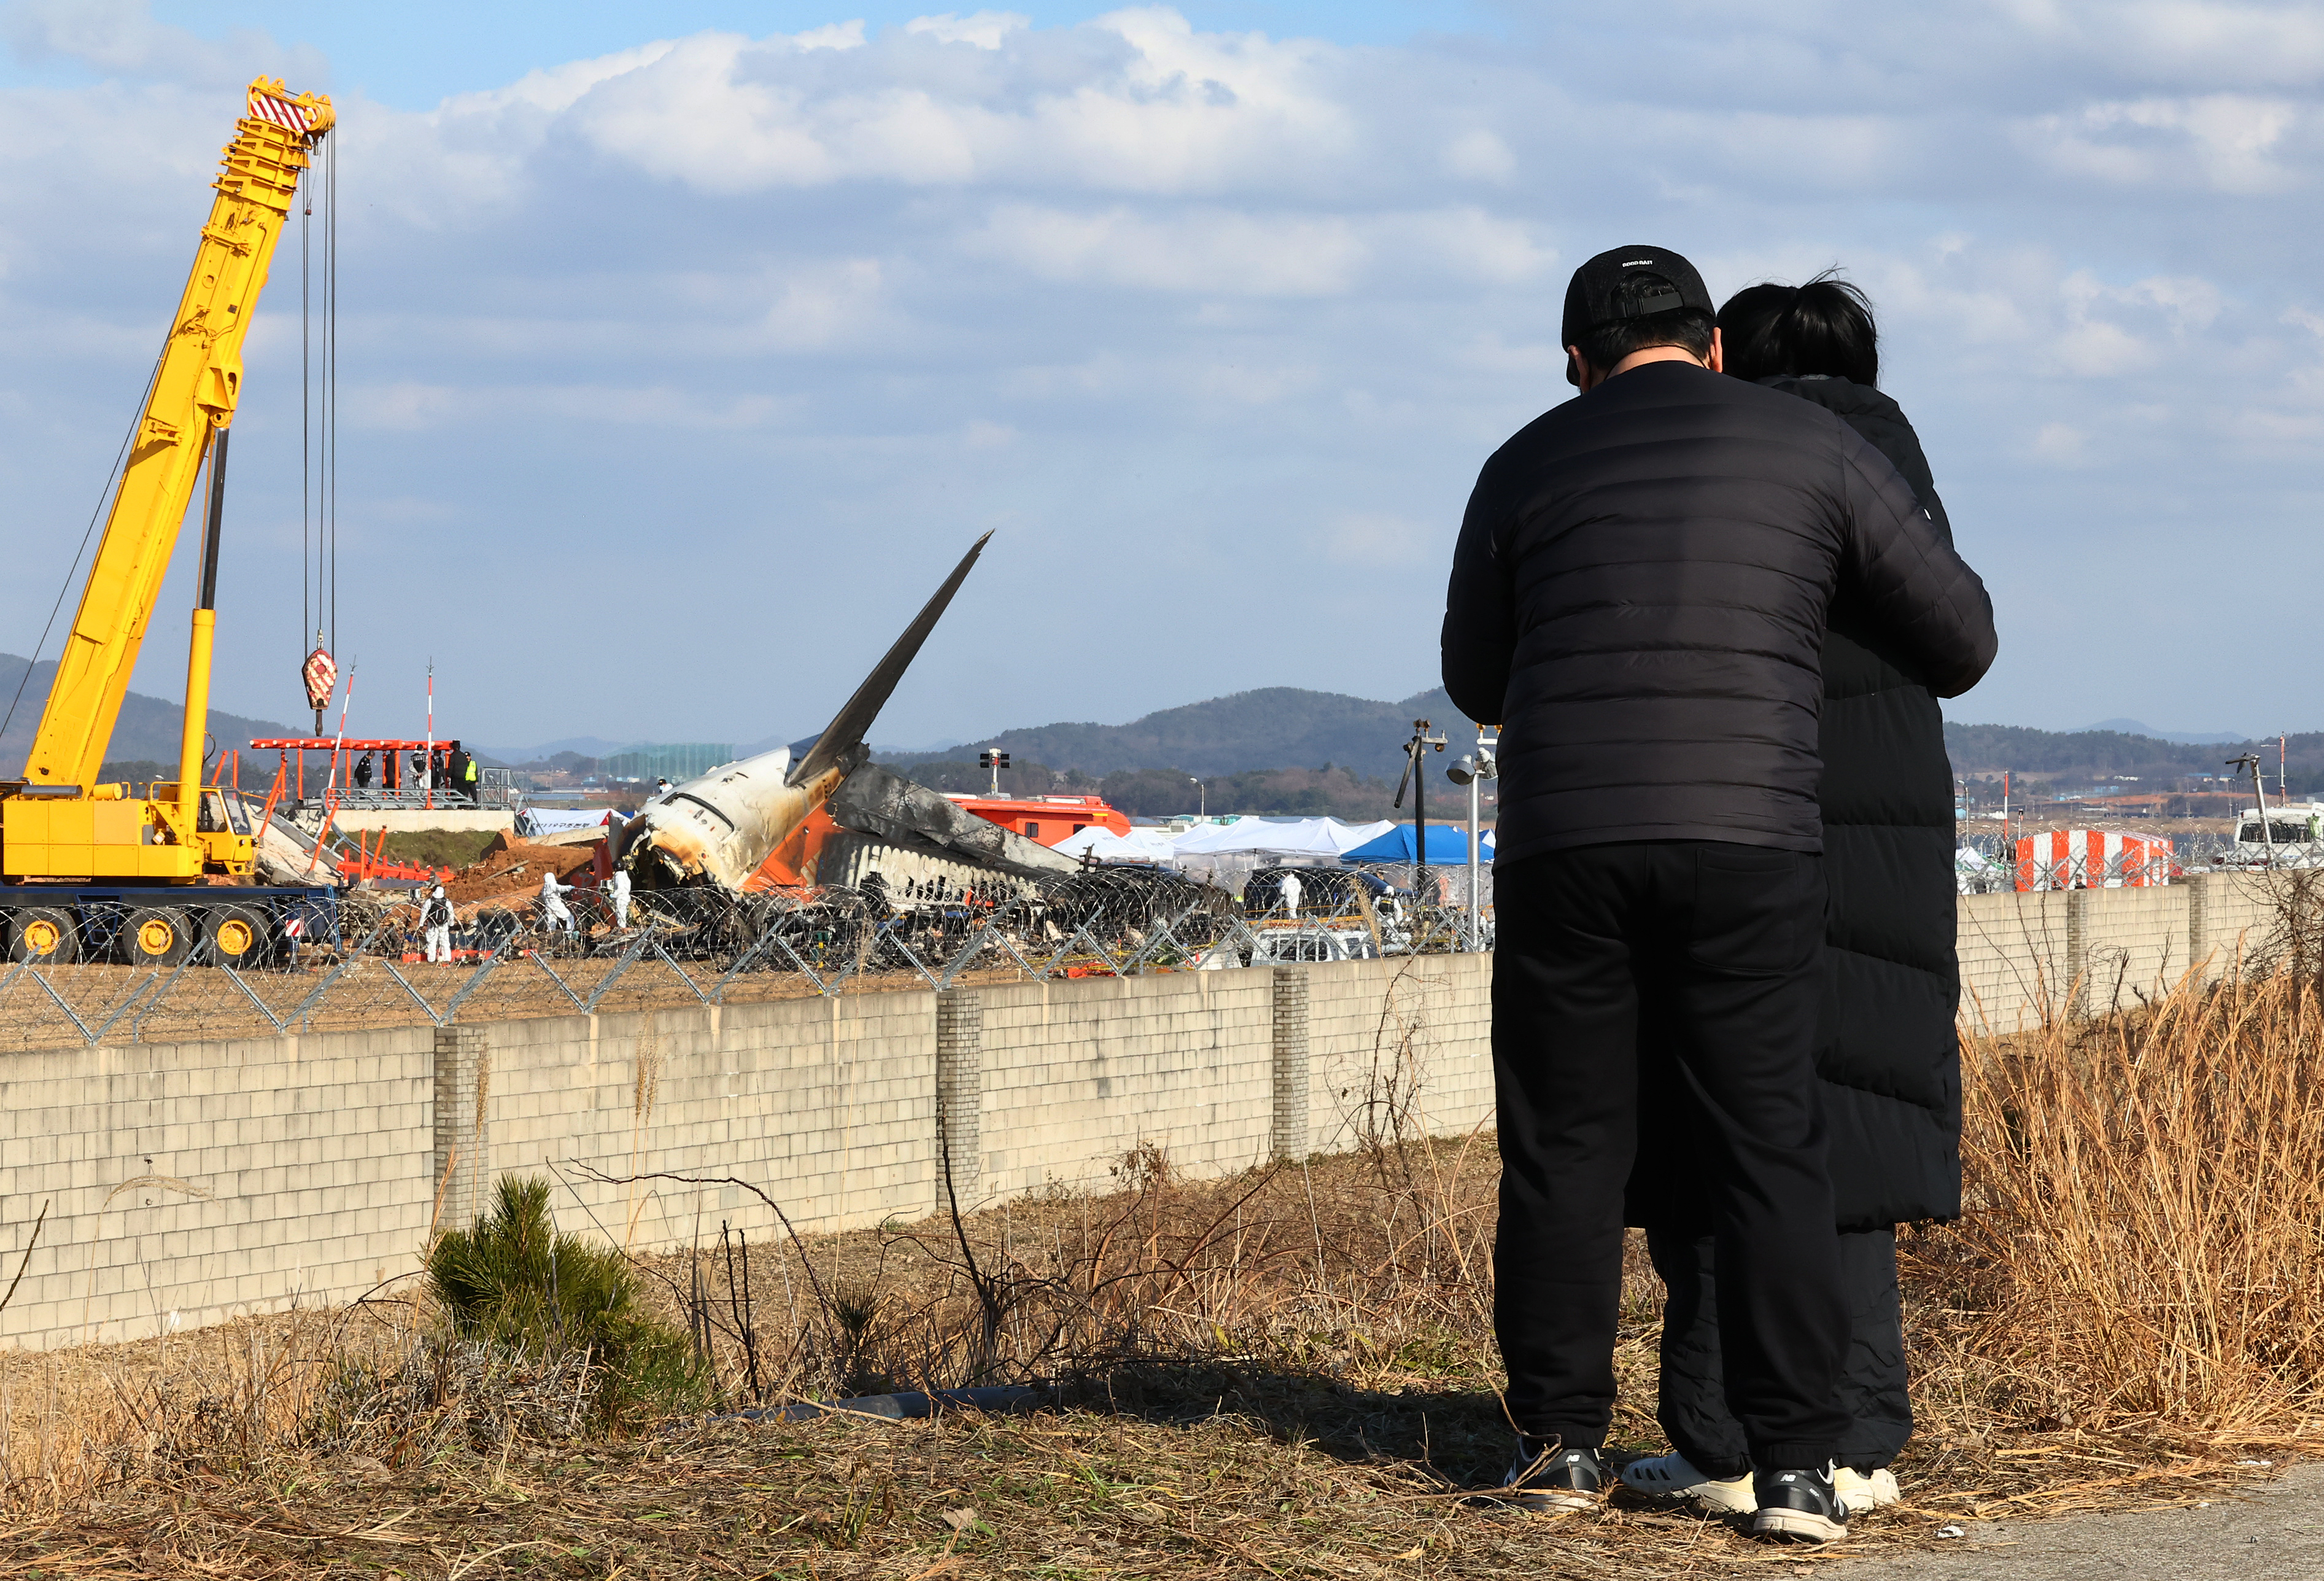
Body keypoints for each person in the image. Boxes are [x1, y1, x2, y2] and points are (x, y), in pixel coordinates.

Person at [1441, 246, 1996, 1544]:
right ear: (1715, 347)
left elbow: (1478, 677)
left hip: (1567, 844)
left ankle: (1560, 1446)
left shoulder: (1522, 461)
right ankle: (1798, 1468)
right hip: (1750, 838)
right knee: (1770, 1142)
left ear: (1575, 361)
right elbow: (1962, 638)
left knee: (1565, 1145)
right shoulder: (1805, 448)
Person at [1617, 273, 1967, 1522]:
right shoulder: (1898, 484)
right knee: (1851, 1141)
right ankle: (1860, 1442)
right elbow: (1962, 645)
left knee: (1718, 1130)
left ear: (1726, 366)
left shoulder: (1732, 475)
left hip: (1732, 825)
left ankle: (1719, 1443)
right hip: (1886, 851)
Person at [419, 884, 455, 963]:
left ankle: (431, 959)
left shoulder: (430, 901)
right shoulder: (447, 902)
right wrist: (451, 924)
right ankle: (447, 958)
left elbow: (424, 913)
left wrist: (421, 924)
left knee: (432, 942)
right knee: (445, 942)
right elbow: (451, 914)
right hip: (444, 925)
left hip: (432, 925)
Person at [540, 868, 576, 933]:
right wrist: (569, 887)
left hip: (548, 906)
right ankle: (569, 931)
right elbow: (559, 888)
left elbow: (543, 897)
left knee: (552, 920)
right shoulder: (551, 885)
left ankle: (551, 932)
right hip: (556, 905)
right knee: (569, 917)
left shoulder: (544, 888)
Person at [608, 864, 632, 930]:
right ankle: (622, 928)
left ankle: (622, 929)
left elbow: (620, 888)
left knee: (620, 914)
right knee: (622, 914)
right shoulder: (625, 875)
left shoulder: (619, 876)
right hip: (626, 896)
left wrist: (613, 895)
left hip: (621, 897)